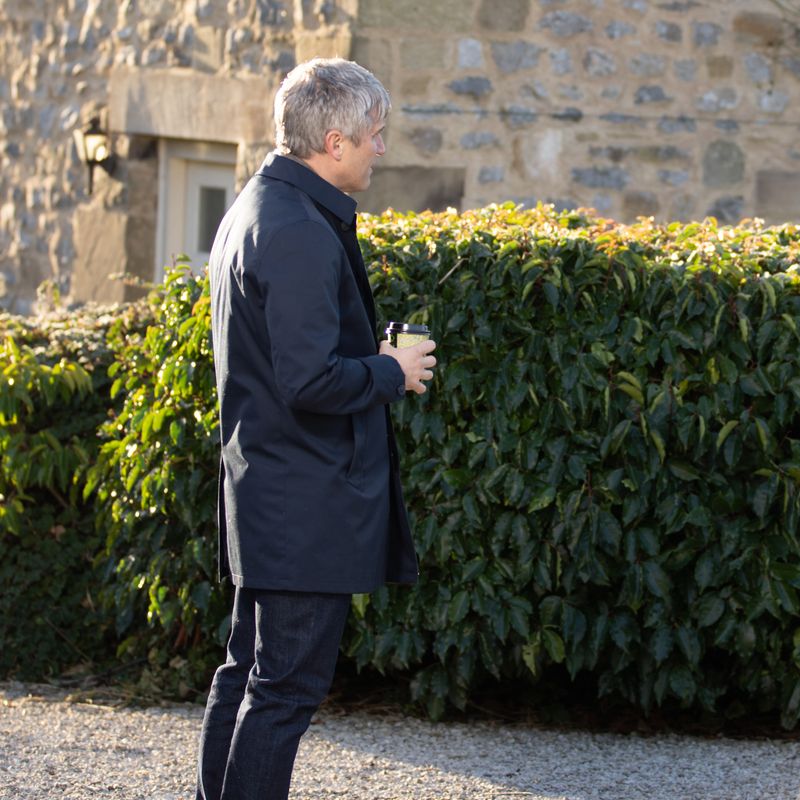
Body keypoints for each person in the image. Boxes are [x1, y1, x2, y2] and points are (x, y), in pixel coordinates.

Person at [197, 57, 438, 800]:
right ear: (334, 141)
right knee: (283, 692)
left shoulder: (260, 205)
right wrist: (391, 370)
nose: (381, 149)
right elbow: (308, 382)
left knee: (247, 674)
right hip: (301, 500)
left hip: (269, 489)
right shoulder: (297, 227)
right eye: (375, 135)